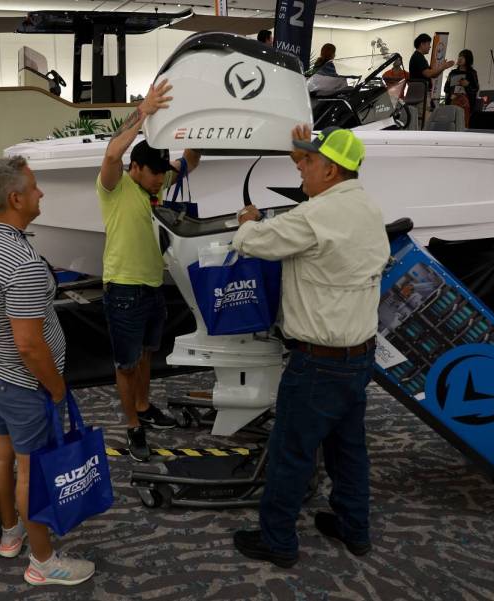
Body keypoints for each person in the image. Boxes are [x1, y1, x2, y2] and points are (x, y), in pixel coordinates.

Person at [231, 125, 389, 568]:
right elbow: (313, 196)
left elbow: (255, 242)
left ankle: (278, 541)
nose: (302, 169)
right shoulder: (365, 206)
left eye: (309, 163)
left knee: (291, 453)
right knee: (348, 450)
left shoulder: (315, 216)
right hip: (359, 356)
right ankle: (354, 529)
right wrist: (298, 150)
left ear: (330, 170)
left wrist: (247, 222)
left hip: (317, 364)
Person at [0, 156, 94, 587]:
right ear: (15, 198)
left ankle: (11, 534)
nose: (41, 193)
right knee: (32, 470)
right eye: (34, 187)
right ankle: (43, 562)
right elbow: (30, 345)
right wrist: (55, 387)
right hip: (24, 384)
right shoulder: (22, 262)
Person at [97, 79, 201, 462]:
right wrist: (145, 111)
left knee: (144, 355)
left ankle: (143, 406)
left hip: (152, 287)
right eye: (153, 172)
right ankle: (132, 427)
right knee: (126, 363)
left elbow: (190, 159)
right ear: (135, 168)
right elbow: (111, 154)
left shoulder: (154, 183)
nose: (161, 178)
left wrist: (197, 120)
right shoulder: (115, 186)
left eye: (162, 172)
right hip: (123, 289)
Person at [409, 33, 454, 103]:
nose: (430, 47)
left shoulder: (420, 57)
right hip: (420, 93)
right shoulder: (418, 57)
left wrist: (442, 67)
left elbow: (433, 75)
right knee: (422, 113)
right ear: (422, 44)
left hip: (420, 92)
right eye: (428, 44)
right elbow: (428, 74)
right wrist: (442, 67)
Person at [444, 49, 479, 128]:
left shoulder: (472, 73)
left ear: (468, 59)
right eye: (459, 56)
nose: (460, 58)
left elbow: (475, 89)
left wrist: (467, 85)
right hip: (452, 101)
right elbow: (446, 88)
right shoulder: (453, 72)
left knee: (463, 124)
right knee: (451, 124)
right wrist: (451, 92)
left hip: (465, 103)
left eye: (463, 57)